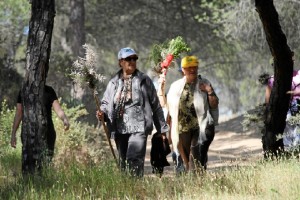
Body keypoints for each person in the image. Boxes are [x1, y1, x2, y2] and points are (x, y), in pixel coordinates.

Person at [96, 47, 169, 177]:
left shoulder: (144, 80)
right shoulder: (113, 82)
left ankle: (135, 186)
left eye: (134, 58)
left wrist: (162, 130)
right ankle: (128, 190)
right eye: (128, 59)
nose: (132, 61)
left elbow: (156, 106)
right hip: (119, 129)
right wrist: (102, 113)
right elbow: (106, 103)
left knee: (134, 159)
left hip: (139, 128)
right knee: (124, 163)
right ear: (120, 62)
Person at [167, 55, 219, 172]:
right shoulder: (175, 86)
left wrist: (209, 91)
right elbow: (169, 109)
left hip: (201, 126)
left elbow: (214, 104)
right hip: (183, 129)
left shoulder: (205, 83)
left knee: (196, 151)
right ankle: (192, 176)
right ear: (183, 70)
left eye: (194, 67)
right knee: (187, 158)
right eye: (188, 67)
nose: (192, 70)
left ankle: (198, 178)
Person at [10, 85, 70, 175]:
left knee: (46, 163)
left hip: (48, 133)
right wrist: (13, 133)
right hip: (29, 134)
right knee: (30, 164)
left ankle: (44, 184)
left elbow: (58, 109)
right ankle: (29, 183)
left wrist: (65, 120)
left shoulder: (49, 90)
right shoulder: (24, 91)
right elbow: (19, 113)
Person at [265, 53, 300, 150]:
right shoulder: (272, 80)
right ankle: (290, 154)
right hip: (282, 111)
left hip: (298, 108)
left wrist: (294, 92)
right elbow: (268, 101)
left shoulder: (299, 74)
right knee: (287, 135)